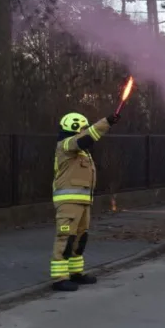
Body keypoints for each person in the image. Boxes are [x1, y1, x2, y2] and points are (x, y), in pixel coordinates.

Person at [50, 112, 119, 292]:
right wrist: (106, 122)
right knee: (65, 239)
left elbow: (86, 139)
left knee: (80, 239)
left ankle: (75, 273)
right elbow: (86, 138)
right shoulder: (66, 145)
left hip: (82, 202)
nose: (84, 131)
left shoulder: (81, 152)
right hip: (68, 203)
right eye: (82, 129)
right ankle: (59, 278)